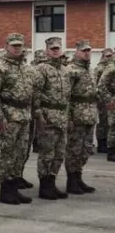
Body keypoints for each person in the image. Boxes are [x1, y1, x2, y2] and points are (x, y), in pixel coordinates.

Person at [0, 33, 35, 205]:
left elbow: (30, 94)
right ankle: (6, 190)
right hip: (9, 115)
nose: (17, 48)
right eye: (13, 45)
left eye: (19, 45)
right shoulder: (0, 67)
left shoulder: (26, 67)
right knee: (8, 153)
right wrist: (0, 117)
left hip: (24, 115)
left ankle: (14, 187)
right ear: (6, 46)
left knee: (20, 153)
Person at [34, 37, 71, 199]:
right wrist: (39, 115)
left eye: (58, 48)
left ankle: (52, 182)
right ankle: (44, 187)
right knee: (47, 153)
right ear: (47, 51)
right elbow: (35, 94)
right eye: (52, 49)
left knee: (59, 153)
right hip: (48, 117)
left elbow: (67, 97)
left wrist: (68, 117)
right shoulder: (42, 69)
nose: (56, 51)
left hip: (62, 117)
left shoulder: (65, 70)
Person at [65, 40, 97, 194]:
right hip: (77, 116)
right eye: (84, 50)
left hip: (90, 115)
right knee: (74, 150)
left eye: (89, 50)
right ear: (76, 51)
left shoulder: (89, 70)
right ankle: (71, 181)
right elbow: (66, 96)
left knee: (85, 149)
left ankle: (78, 177)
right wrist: (69, 118)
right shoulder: (71, 70)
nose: (87, 53)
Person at [94, 48, 113, 154]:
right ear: (103, 57)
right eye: (107, 56)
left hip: (110, 98)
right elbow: (96, 83)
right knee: (103, 122)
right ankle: (101, 144)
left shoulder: (110, 67)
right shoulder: (100, 68)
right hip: (102, 99)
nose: (109, 58)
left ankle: (107, 142)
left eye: (111, 56)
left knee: (110, 122)